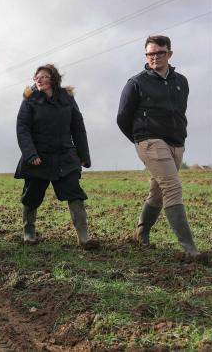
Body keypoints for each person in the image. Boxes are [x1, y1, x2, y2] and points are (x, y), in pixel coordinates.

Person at [117, 35, 199, 257]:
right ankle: (190, 249)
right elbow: (122, 117)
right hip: (150, 140)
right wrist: (140, 140)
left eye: (159, 53)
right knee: (173, 188)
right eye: (150, 54)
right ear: (146, 56)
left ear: (169, 54)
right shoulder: (136, 83)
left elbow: (179, 111)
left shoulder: (181, 81)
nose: (154, 57)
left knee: (158, 193)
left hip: (176, 142)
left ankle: (141, 234)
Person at [14, 64, 99, 249]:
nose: (39, 79)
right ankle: (29, 232)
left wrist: (83, 155)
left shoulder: (67, 98)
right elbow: (22, 129)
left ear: (53, 79)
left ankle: (83, 237)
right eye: (37, 77)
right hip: (39, 157)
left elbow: (78, 126)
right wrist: (30, 155)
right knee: (32, 195)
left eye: (44, 76)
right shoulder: (30, 99)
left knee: (74, 192)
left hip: (65, 156)